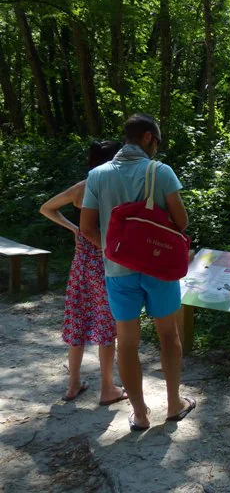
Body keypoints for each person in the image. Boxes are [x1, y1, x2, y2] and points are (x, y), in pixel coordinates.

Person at [80, 113, 196, 431]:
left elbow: (87, 227)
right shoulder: (160, 172)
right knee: (168, 335)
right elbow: (181, 222)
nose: (156, 148)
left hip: (118, 270)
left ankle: (141, 414)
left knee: (126, 342)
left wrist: (111, 248)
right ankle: (174, 404)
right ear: (147, 137)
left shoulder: (98, 175)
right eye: (156, 141)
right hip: (159, 266)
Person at [40, 140, 128, 405]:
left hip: (81, 263)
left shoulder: (82, 187)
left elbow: (46, 208)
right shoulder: (114, 185)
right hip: (106, 260)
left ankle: (73, 384)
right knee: (105, 323)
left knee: (77, 319)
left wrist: (74, 229)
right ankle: (107, 388)